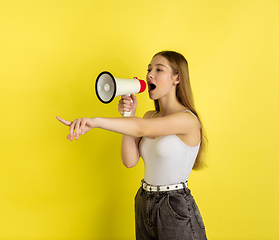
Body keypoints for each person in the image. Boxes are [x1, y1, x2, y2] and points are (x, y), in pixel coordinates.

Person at [57, 50, 207, 240]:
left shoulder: (187, 120)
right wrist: (128, 116)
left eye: (159, 70)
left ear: (176, 79)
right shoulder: (148, 116)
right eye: (149, 69)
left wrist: (95, 122)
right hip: (144, 200)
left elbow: (142, 129)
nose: (150, 74)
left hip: (173, 204)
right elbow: (129, 161)